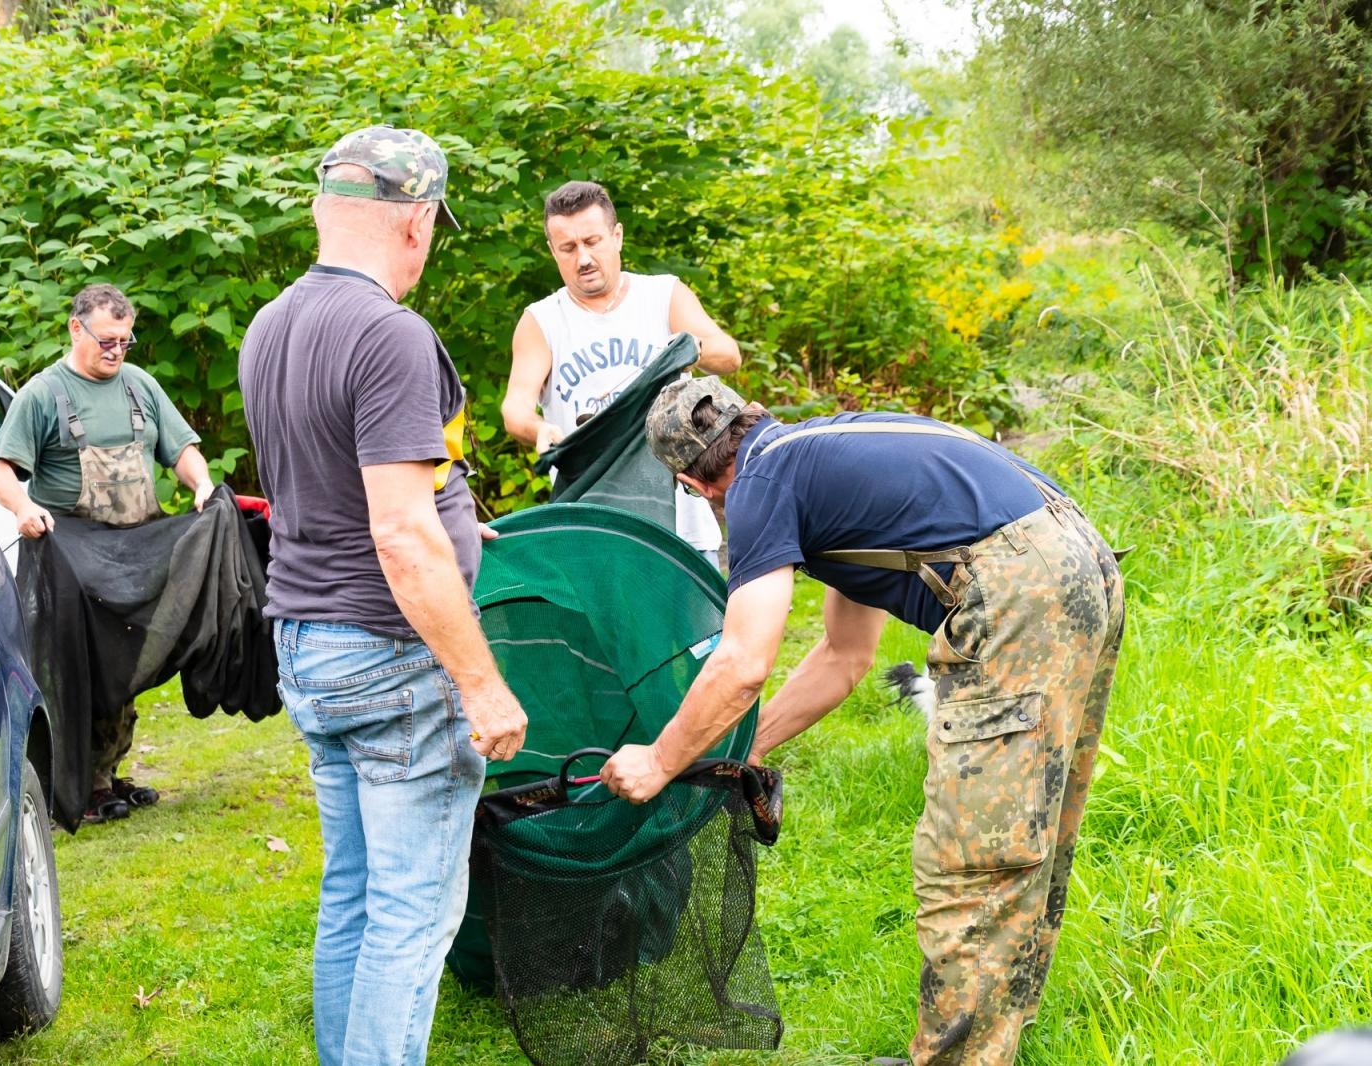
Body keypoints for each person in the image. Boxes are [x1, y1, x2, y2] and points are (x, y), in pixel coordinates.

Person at [600, 377, 1127, 1066]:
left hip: (1018, 589)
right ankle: (988, 1044)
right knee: (1030, 828)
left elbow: (743, 661)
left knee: (971, 856)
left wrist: (661, 760)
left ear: (695, 488)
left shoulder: (758, 486)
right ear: (746, 414)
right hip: (1080, 560)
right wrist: (734, 748)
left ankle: (955, 1060)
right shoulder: (817, 456)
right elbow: (845, 658)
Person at [237, 124, 528, 1066]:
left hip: (307, 644)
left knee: (353, 898)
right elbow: (398, 536)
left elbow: (332, 484)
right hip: (391, 659)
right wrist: (481, 685)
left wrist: (454, 521)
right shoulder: (390, 335)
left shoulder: (271, 324)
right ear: (416, 224)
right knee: (410, 918)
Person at [0, 282, 216, 823]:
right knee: (81, 673)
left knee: (126, 670)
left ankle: (107, 772)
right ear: (76, 328)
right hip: (73, 565)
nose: (116, 350)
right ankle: (77, 782)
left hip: (136, 558)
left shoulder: (140, 387)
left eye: (125, 342)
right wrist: (22, 507)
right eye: (107, 340)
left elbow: (182, 449)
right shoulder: (43, 395)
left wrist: (201, 485)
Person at [501, 180, 741, 562]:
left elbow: (729, 355)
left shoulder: (662, 296)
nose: (583, 258)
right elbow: (515, 408)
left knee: (696, 625)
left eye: (592, 241)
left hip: (682, 527)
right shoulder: (542, 321)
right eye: (568, 247)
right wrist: (538, 429)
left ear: (617, 236)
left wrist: (691, 349)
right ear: (552, 251)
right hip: (591, 526)